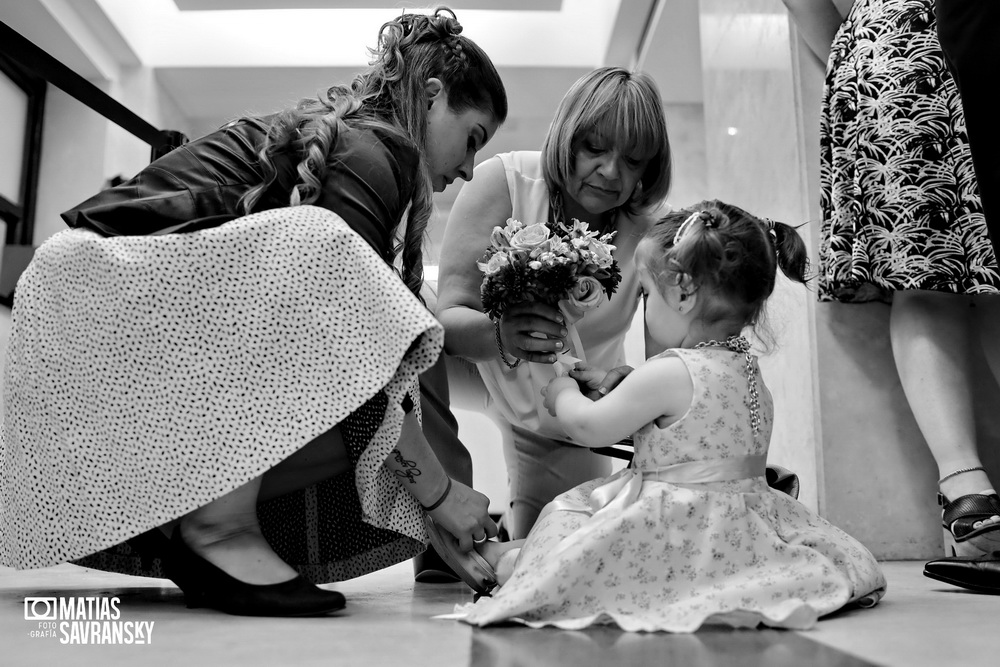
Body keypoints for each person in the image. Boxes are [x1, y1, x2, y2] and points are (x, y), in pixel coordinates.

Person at [0, 7, 507, 617]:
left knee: (377, 339)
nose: (470, 169)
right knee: (339, 280)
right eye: (473, 138)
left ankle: (212, 524)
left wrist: (432, 498)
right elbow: (357, 351)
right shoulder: (376, 154)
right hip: (94, 295)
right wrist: (439, 493)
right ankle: (217, 525)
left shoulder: (362, 147)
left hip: (95, 301)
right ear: (430, 98)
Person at [427, 201, 886, 631]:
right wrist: (614, 381)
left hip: (674, 526)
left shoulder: (672, 370)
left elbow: (590, 425)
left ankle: (508, 563)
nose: (645, 309)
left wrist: (563, 391)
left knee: (571, 523)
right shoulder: (743, 366)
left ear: (683, 293)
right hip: (735, 523)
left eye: (646, 294)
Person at [782, 0, 1000, 567]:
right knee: (932, 273)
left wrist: (860, 42)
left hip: (891, 43)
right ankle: (967, 494)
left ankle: (967, 495)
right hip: (905, 41)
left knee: (922, 273)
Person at [435, 67, 673, 540]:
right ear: (568, 136)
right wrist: (503, 334)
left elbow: (665, 362)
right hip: (470, 365)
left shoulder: (654, 232)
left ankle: (501, 531)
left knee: (557, 543)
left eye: (633, 161)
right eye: (595, 148)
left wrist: (627, 387)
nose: (610, 172)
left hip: (562, 403)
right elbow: (448, 316)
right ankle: (437, 520)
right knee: (407, 331)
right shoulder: (502, 181)